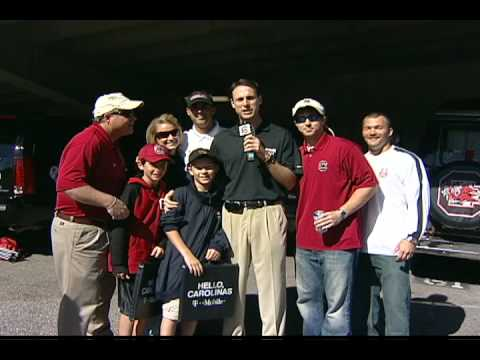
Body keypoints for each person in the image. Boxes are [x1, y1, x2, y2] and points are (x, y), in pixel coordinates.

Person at [210, 79, 297, 336]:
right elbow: (210, 182)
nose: (246, 103)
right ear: (233, 105)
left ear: (260, 100)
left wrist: (265, 155)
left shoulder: (279, 135)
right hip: (233, 215)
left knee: (271, 285)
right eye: (240, 99)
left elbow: (291, 181)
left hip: (268, 212)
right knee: (233, 285)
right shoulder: (222, 140)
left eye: (250, 98)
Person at [51, 92, 143, 335]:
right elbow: (69, 184)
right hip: (80, 230)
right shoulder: (88, 140)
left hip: (97, 230)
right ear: (108, 117)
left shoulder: (110, 145)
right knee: (80, 307)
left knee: (98, 303)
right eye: (127, 114)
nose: (134, 118)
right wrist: (110, 201)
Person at [292, 98, 378, 336]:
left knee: (337, 309)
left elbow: (369, 185)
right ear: (296, 123)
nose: (307, 122)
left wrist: (341, 213)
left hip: (340, 244)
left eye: (313, 117)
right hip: (305, 243)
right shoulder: (296, 154)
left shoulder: (344, 148)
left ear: (324, 119)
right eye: (301, 118)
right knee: (308, 303)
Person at [353, 112, 430, 336]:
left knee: (396, 311)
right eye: (368, 128)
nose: (373, 132)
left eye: (378, 127)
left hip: (395, 248)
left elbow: (419, 201)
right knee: (365, 315)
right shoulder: (360, 160)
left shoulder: (406, 160)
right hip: (362, 248)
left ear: (390, 131)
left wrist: (412, 237)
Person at [156, 148, 232, 336]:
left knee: (193, 311)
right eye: (199, 168)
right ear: (190, 169)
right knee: (172, 312)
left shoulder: (219, 198)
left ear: (216, 169)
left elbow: (224, 227)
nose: (204, 172)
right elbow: (169, 226)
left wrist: (218, 245)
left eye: (209, 167)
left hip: (203, 264)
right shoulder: (180, 195)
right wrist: (188, 256)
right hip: (179, 262)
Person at [109, 144, 171, 336]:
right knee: (129, 310)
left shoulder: (164, 190)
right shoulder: (132, 189)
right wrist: (119, 263)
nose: (158, 170)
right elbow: (118, 227)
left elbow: (167, 225)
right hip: (132, 261)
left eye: (162, 165)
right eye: (153, 164)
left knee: (145, 309)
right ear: (141, 164)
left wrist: (162, 244)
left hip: (151, 261)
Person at [179, 90, 224, 165]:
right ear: (188, 111)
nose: (200, 111)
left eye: (204, 107)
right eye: (195, 107)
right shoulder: (182, 139)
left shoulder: (229, 135)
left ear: (213, 110)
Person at [145, 113, 189, 189]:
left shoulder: (183, 155)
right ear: (154, 138)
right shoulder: (149, 161)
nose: (171, 138)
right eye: (164, 135)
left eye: (174, 132)